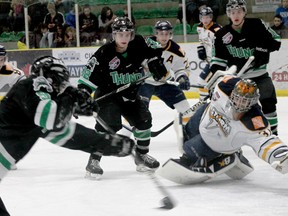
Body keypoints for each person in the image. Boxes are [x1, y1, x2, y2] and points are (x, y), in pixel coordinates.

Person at [0, 56, 135, 215]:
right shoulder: (30, 86)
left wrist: (110, 143)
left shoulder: (33, 111)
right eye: (60, 81)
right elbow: (51, 118)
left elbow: (69, 135)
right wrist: (71, 99)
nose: (62, 87)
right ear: (48, 77)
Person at [78, 17, 168, 179]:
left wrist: (155, 61)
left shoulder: (139, 43)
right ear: (114, 35)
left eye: (128, 34)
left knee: (144, 120)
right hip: (108, 96)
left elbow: (155, 47)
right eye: (121, 35)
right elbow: (86, 79)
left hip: (130, 93)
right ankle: (94, 160)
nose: (124, 38)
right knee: (109, 126)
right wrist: (82, 97)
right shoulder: (103, 53)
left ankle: (141, 157)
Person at [171, 75, 288, 181]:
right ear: (233, 93)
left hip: (215, 144)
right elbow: (224, 76)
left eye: (245, 101)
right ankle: (230, 154)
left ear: (252, 102)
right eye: (237, 98)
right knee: (187, 133)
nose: (239, 103)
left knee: (188, 149)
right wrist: (212, 86)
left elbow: (267, 141)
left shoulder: (254, 121)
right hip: (203, 117)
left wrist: (282, 156)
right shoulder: (223, 87)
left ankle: (225, 155)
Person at [208, 0, 281, 135]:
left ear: (244, 13)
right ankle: (243, 136)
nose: (236, 15)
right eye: (232, 12)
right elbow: (218, 62)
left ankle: (273, 135)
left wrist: (262, 49)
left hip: (260, 75)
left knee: (269, 103)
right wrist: (214, 81)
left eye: (239, 12)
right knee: (240, 109)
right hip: (238, 80)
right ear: (228, 14)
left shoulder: (257, 24)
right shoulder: (221, 34)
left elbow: (276, 41)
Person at [196, 6, 221, 100]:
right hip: (210, 61)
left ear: (211, 17)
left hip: (217, 62)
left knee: (201, 80)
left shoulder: (217, 30)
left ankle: (201, 102)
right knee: (213, 84)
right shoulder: (199, 27)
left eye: (207, 17)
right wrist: (201, 48)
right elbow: (202, 40)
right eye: (203, 17)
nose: (205, 19)